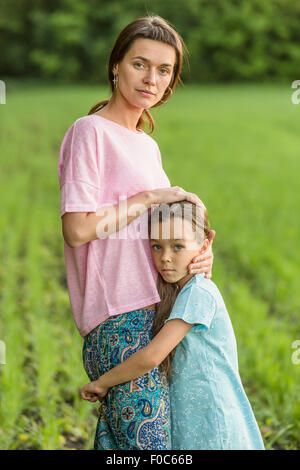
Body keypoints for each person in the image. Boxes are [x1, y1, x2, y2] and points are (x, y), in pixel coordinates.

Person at [57, 15, 215, 450]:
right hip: (116, 319)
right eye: (140, 64)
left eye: (164, 71)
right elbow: (77, 230)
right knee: (150, 448)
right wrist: (144, 199)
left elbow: (167, 225)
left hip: (156, 311)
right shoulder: (89, 132)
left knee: (123, 446)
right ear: (116, 66)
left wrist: (201, 254)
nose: (151, 79)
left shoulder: (146, 144)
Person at [81, 201, 265, 450]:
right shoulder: (179, 293)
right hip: (192, 418)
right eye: (157, 246)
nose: (165, 258)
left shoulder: (198, 293)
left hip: (214, 417)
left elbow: (152, 356)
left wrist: (102, 383)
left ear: (204, 244)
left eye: (178, 246)